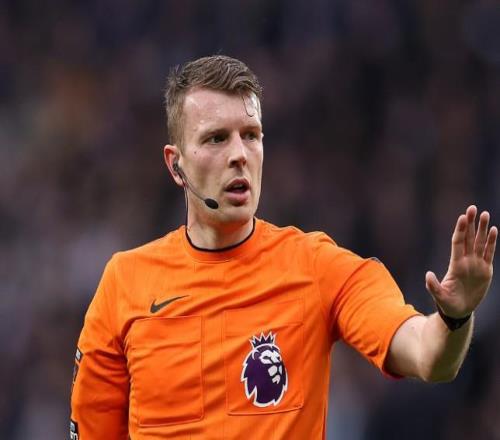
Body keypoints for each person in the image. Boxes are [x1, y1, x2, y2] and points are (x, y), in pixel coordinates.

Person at [70, 55, 497, 440]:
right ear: (175, 164)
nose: (239, 154)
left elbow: (428, 356)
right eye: (216, 138)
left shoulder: (318, 268)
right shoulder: (125, 284)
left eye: (251, 135)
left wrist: (455, 316)